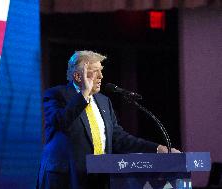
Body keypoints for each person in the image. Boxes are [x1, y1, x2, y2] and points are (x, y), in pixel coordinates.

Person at [37, 50, 179, 189]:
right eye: (95, 71)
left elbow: (119, 138)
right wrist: (84, 94)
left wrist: (157, 148)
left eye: (101, 70)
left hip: (100, 178)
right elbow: (60, 122)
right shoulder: (56, 95)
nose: (101, 76)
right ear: (77, 76)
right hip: (67, 179)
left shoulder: (104, 101)